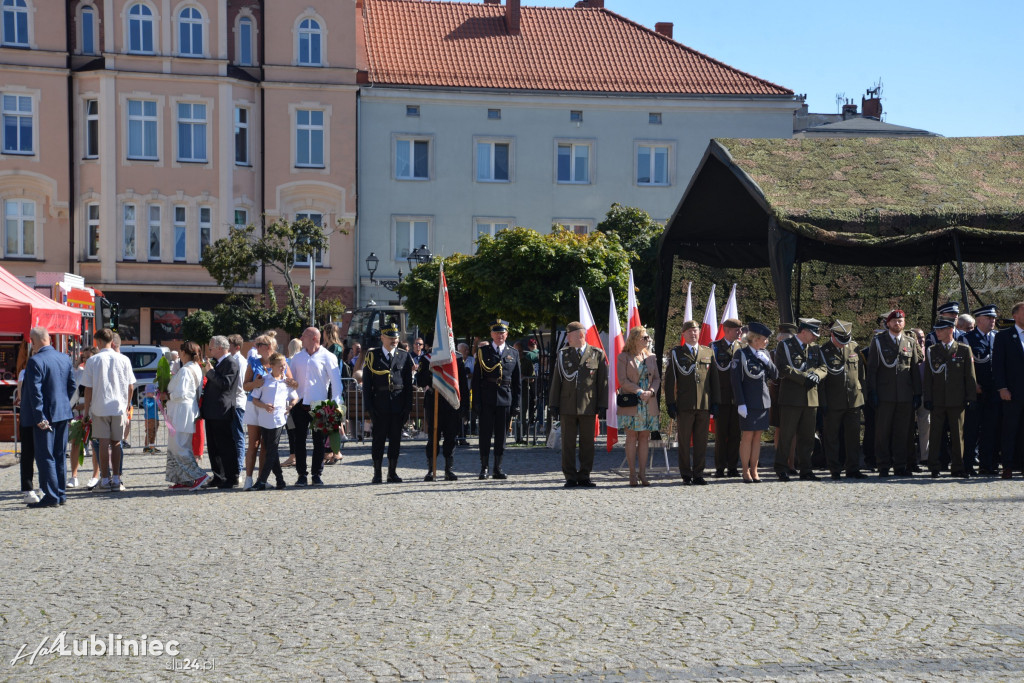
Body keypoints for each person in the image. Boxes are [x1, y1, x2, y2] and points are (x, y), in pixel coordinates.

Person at [548, 320, 607, 488]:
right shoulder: (563, 354)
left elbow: (602, 382)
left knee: (588, 443)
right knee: (568, 443)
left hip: (588, 405)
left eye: (569, 334)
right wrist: (554, 404)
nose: (567, 337)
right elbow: (556, 381)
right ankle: (570, 476)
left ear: (581, 335)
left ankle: (585, 475)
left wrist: (603, 405)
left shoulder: (597, 354)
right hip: (567, 405)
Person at [865, 309, 923, 478]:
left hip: (905, 395)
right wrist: (872, 392)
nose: (898, 324)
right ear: (888, 323)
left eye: (901, 321)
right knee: (882, 432)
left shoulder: (910, 342)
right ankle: (883, 464)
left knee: (902, 432)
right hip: (885, 394)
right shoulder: (878, 341)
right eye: (894, 321)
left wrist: (917, 393)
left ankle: (900, 464)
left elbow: (914, 370)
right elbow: (872, 370)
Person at [22, 327, 76, 507]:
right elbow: (72, 385)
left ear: (34, 341)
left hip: (45, 416)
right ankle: (60, 494)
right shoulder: (64, 358)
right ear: (49, 339)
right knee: (59, 455)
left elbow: (35, 393)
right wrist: (62, 403)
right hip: (62, 413)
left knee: (46, 456)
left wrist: (39, 416)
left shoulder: (35, 361)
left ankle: (51, 495)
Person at [80, 327, 136, 492]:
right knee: (117, 443)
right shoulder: (124, 359)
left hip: (99, 406)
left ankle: (104, 479)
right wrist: (127, 405)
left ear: (98, 341)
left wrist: (86, 410)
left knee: (103, 443)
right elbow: (130, 386)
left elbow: (88, 389)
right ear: (112, 341)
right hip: (118, 406)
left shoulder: (92, 361)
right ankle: (117, 479)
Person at [665, 320, 719, 485]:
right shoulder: (677, 353)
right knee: (684, 442)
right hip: (685, 404)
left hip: (703, 404)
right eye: (689, 332)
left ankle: (698, 473)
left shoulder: (708, 352)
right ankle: (686, 474)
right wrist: (670, 403)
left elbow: (714, 380)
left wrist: (716, 402)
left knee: (701, 442)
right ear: (684, 335)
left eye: (695, 331)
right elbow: (669, 381)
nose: (693, 334)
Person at [774, 318, 827, 481]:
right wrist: (805, 378)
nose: (815, 337)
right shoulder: (784, 346)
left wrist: (817, 375)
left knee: (808, 437)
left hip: (811, 398)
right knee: (786, 436)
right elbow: (783, 368)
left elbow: (824, 367)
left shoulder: (815, 348)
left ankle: (806, 469)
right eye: (813, 333)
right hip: (791, 398)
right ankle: (781, 468)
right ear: (803, 331)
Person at [923, 318, 976, 478]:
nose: (937, 333)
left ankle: (958, 467)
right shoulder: (932, 350)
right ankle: (934, 466)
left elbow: (970, 376)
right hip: (938, 399)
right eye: (936, 330)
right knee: (935, 434)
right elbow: (928, 378)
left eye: (940, 329)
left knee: (957, 434)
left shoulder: (963, 350)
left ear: (951, 330)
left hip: (957, 399)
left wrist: (970, 397)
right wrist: (928, 398)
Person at [241, 335, 296, 489]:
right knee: (254, 443)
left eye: (258, 344)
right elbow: (245, 386)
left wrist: (290, 399)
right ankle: (249, 479)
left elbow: (291, 383)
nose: (255, 347)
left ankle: (262, 479)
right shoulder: (253, 362)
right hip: (254, 405)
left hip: (272, 410)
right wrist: (255, 383)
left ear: (268, 346)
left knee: (267, 445)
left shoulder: (281, 361)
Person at [291, 326, 344, 486]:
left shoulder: (327, 357)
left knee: (319, 443)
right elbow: (291, 381)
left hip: (320, 405)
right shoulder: (297, 358)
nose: (301, 337)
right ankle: (301, 474)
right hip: (300, 404)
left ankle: (316, 474)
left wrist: (335, 406)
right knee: (298, 441)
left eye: (304, 335)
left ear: (314, 338)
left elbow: (336, 383)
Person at [362, 322, 413, 483]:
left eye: (396, 337)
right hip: (380, 405)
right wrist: (369, 408)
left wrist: (407, 407)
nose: (394, 340)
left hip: (398, 405)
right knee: (378, 440)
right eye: (391, 337)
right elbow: (367, 386)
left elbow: (408, 386)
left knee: (395, 441)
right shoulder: (372, 356)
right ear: (382, 337)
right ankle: (377, 473)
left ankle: (392, 472)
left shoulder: (404, 356)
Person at [473, 320, 522, 480]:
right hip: (487, 398)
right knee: (485, 435)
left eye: (502, 333)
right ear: (491, 334)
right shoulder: (483, 352)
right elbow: (476, 380)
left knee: (501, 436)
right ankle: (484, 467)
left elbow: (517, 382)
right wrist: (477, 403)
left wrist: (516, 404)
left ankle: (497, 468)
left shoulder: (513, 353)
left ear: (507, 334)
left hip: (505, 399)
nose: (500, 335)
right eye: (496, 333)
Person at [819, 321, 868, 479]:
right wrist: (823, 402)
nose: (843, 343)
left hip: (853, 400)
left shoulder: (854, 346)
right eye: (840, 339)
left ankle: (853, 468)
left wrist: (864, 396)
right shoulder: (824, 351)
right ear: (832, 335)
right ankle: (834, 468)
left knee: (853, 436)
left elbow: (861, 375)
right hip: (833, 401)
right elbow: (821, 382)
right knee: (831, 437)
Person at [731, 322, 778, 483]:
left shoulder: (764, 353)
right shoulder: (741, 354)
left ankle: (755, 470)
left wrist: (767, 361)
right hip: (748, 403)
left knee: (758, 437)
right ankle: (745, 471)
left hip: (763, 402)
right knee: (747, 436)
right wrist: (740, 403)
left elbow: (776, 375)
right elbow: (736, 381)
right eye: (764, 339)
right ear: (755, 339)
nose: (766, 342)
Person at [416, 343, 469, 481]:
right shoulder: (426, 358)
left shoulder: (456, 358)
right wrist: (433, 370)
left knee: (450, 437)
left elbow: (462, 384)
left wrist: (465, 407)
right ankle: (430, 470)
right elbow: (420, 381)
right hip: (434, 401)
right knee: (433, 437)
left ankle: (448, 469)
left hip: (451, 402)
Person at [616, 326, 660, 487]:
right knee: (631, 437)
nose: (648, 340)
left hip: (648, 402)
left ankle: (643, 473)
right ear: (635, 339)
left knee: (644, 438)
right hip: (632, 402)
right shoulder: (624, 357)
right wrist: (639, 391)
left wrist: (651, 391)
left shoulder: (651, 357)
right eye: (645, 337)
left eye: (648, 338)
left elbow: (657, 379)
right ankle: (632, 474)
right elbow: (623, 380)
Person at [162, 341, 209, 490]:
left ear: (183, 353)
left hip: (182, 411)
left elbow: (181, 393)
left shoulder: (186, 370)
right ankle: (183, 478)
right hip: (185, 411)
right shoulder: (196, 368)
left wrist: (166, 395)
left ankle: (198, 475)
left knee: (179, 446)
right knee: (178, 445)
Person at [963, 305, 1000, 475]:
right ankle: (968, 465)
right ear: (978, 320)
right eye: (989, 318)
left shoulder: (997, 337)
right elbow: (963, 367)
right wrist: (972, 386)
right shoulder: (967, 339)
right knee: (971, 431)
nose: (992, 321)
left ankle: (987, 465)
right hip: (976, 392)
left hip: (994, 391)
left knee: (990, 430)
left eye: (993, 318)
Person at [201, 336, 241, 489]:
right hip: (212, 411)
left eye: (211, 348)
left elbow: (226, 384)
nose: (209, 350)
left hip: (222, 411)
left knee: (225, 446)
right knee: (213, 447)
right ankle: (218, 476)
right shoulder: (219, 363)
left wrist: (210, 372)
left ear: (219, 347)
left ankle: (231, 477)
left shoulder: (231, 362)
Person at [993, 301, 1024, 479]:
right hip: (1011, 392)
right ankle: (1008, 465)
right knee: (1010, 429)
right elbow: (998, 365)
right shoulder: (1004, 336)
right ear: (1015, 315)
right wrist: (1002, 387)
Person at [711, 318, 743, 478]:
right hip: (721, 398)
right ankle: (719, 467)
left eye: (740, 329)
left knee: (736, 434)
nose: (740, 332)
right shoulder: (715, 347)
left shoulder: (742, 347)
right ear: (727, 330)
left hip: (737, 398)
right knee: (721, 434)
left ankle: (733, 466)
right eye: (737, 329)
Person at [15, 345, 41, 504]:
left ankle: (45, 486)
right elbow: (20, 395)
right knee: (27, 454)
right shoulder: (24, 373)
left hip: (41, 416)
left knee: (43, 453)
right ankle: (27, 487)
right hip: (28, 416)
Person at [909, 327, 930, 470]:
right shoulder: (908, 350)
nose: (922, 339)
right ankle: (909, 458)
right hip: (909, 393)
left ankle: (925, 457)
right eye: (918, 337)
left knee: (926, 425)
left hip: (924, 392)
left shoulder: (929, 350)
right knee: (907, 427)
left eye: (923, 336)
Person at [228, 334, 247, 480]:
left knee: (238, 437)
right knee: (231, 438)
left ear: (237, 347)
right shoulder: (232, 360)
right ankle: (232, 468)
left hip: (237, 402)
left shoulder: (240, 361)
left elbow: (239, 385)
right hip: (231, 402)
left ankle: (238, 469)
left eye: (230, 345)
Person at [282, 338, 304, 468]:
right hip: (299, 399)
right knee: (297, 431)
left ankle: (293, 456)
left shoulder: (287, 361)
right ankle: (294, 456)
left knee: (291, 430)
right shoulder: (301, 360)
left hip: (289, 401)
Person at [142, 385, 160, 453]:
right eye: (152, 392)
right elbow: (147, 406)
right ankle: (146, 447)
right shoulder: (146, 399)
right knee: (149, 433)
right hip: (149, 419)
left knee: (154, 433)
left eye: (154, 393)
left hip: (156, 418)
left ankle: (152, 446)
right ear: (147, 393)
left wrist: (157, 401)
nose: (153, 394)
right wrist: (154, 402)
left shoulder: (154, 399)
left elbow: (159, 406)